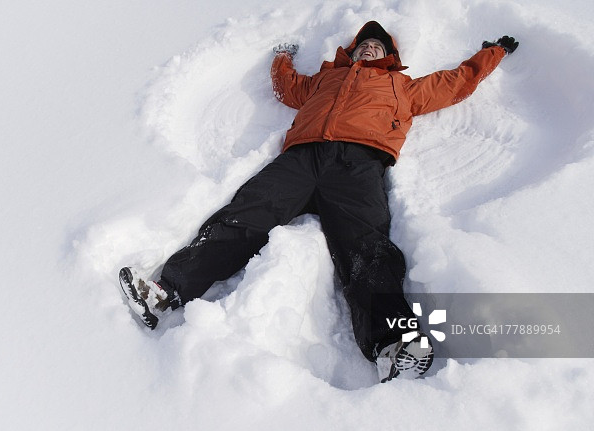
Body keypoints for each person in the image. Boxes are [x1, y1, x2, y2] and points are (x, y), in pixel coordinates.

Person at [119, 21, 518, 383]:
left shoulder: (403, 87)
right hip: (301, 159)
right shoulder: (325, 80)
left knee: (367, 247)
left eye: (377, 47)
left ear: (390, 56)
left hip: (358, 165)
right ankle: (164, 291)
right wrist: (281, 57)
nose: (368, 50)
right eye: (363, 45)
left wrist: (492, 53)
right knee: (243, 217)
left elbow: (457, 81)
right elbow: (287, 85)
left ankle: (394, 346)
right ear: (353, 50)